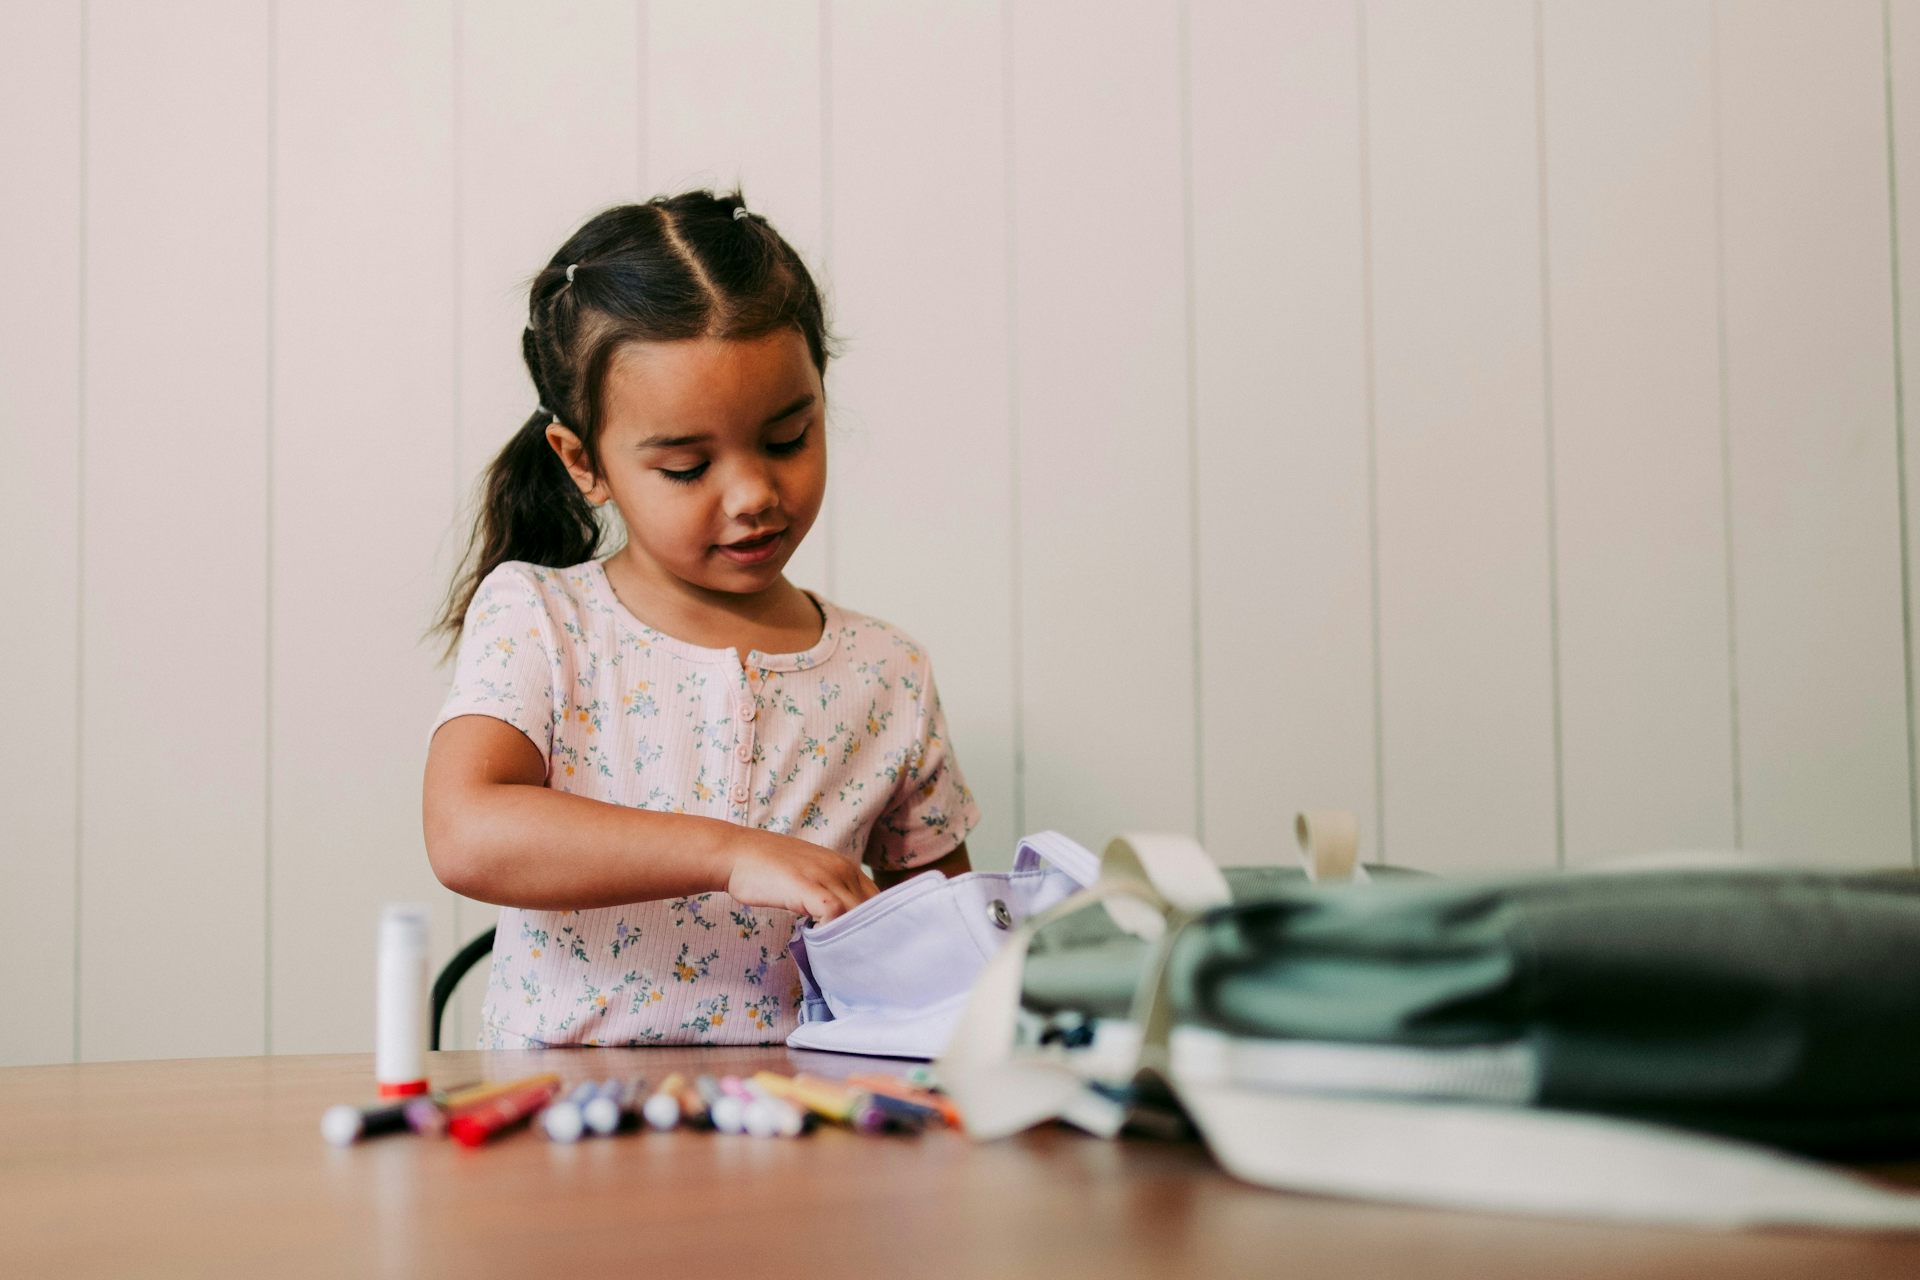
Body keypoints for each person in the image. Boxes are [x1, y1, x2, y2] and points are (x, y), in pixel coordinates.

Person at [423, 190, 978, 1048]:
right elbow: (465, 833)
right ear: (584, 461)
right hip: (560, 1133)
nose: (755, 494)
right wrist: (731, 853)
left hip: (803, 1129)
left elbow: (943, 945)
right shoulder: (542, 618)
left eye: (789, 438)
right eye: (687, 466)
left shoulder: (886, 671)